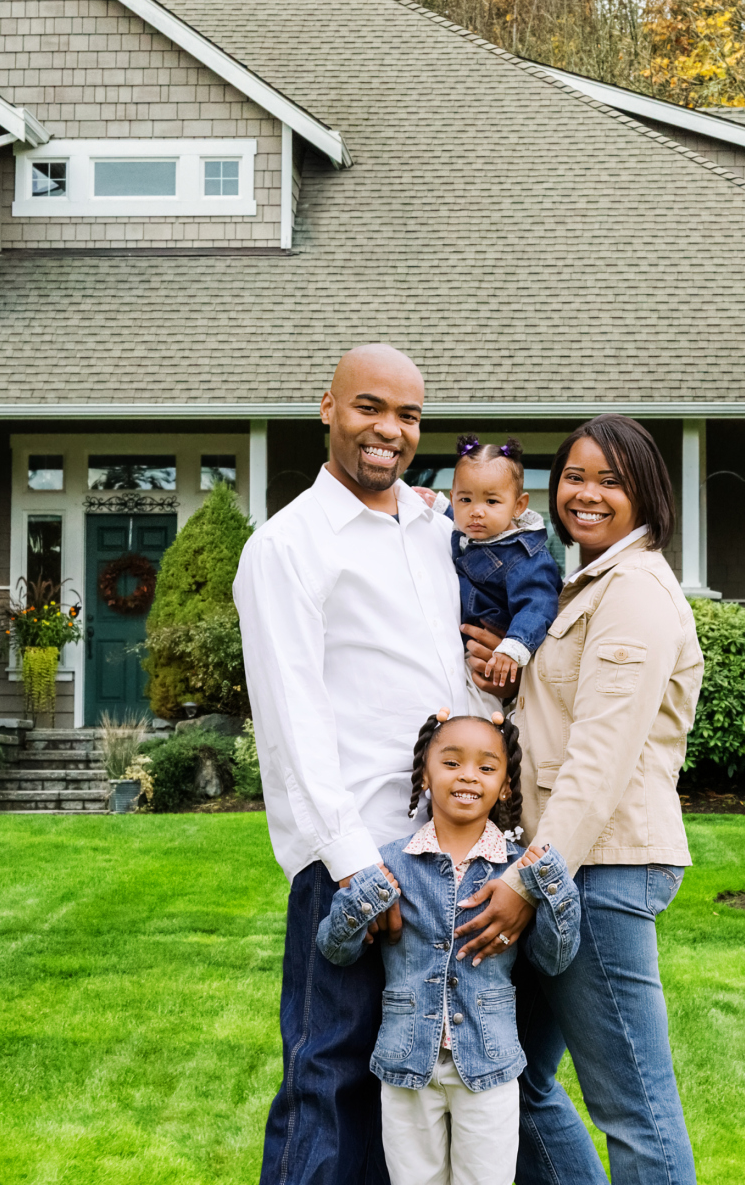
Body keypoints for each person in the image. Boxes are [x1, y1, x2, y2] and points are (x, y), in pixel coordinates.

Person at [235, 343, 479, 1185]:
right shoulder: (287, 546)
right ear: (327, 409)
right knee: (326, 1078)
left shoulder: (433, 528)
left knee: (414, 1089)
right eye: (370, 407)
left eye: (408, 416)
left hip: (442, 855)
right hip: (353, 860)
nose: (390, 430)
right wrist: (350, 867)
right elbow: (290, 719)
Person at [454, 414, 704, 1185]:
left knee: (632, 1104)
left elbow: (599, 756)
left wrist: (532, 878)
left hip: (597, 871)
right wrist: (501, 669)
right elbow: (561, 719)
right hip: (562, 863)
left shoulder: (632, 593)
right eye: (573, 476)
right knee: (504, 1077)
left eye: (610, 480)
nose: (586, 495)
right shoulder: (582, 584)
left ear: (646, 494)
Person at [316, 709, 580, 1185]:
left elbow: (554, 958)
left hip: (488, 1064)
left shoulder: (517, 875)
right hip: (406, 1065)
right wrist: (370, 895)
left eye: (486, 767)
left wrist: (552, 882)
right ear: (425, 773)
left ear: (505, 786)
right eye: (452, 762)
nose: (468, 777)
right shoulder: (390, 862)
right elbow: (336, 948)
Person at [448, 436, 564, 692]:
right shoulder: (469, 530)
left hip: (497, 655)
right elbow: (453, 516)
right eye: (465, 500)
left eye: (491, 501)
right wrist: (431, 504)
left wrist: (513, 646)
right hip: (457, 649)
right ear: (453, 497)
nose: (476, 511)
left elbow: (538, 606)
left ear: (518, 506)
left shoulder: (524, 557)